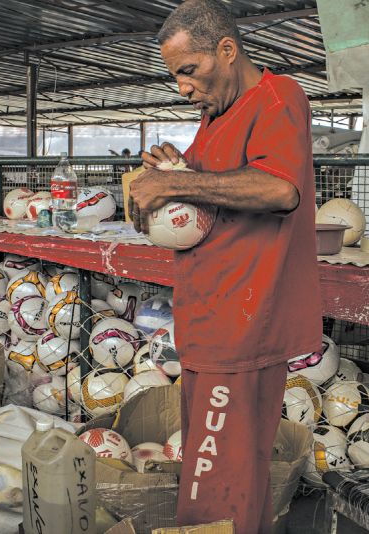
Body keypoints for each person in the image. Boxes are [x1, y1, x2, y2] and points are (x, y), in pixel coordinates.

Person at [128, 1, 322, 531]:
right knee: (224, 469)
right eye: (175, 77)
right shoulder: (213, 118)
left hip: (243, 320)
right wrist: (174, 167)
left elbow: (280, 189)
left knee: (215, 483)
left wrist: (175, 183)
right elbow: (210, 196)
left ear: (227, 51)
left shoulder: (276, 98)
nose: (183, 87)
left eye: (188, 71)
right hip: (210, 316)